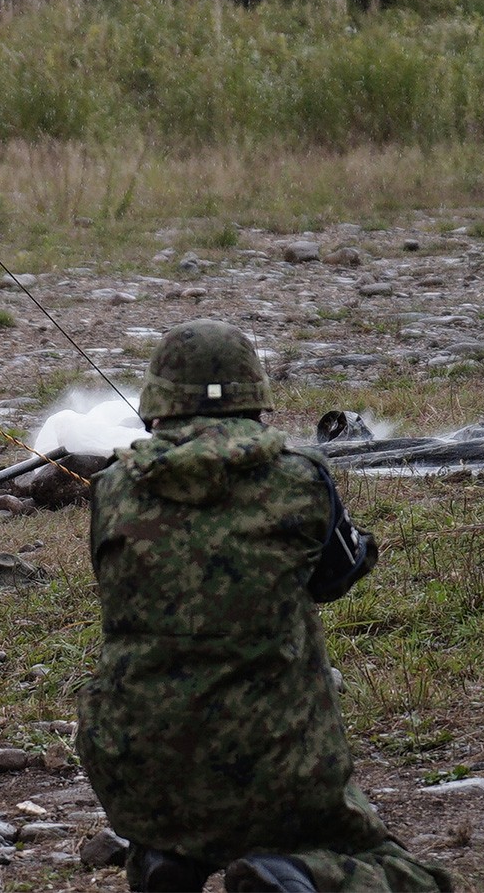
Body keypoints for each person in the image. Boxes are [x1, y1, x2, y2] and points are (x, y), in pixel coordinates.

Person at [79, 320, 450, 893]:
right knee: (407, 875)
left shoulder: (111, 489)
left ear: (157, 401)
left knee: (182, 812)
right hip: (278, 764)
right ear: (256, 395)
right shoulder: (301, 479)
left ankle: (167, 861)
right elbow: (336, 577)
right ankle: (293, 873)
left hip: (136, 768)